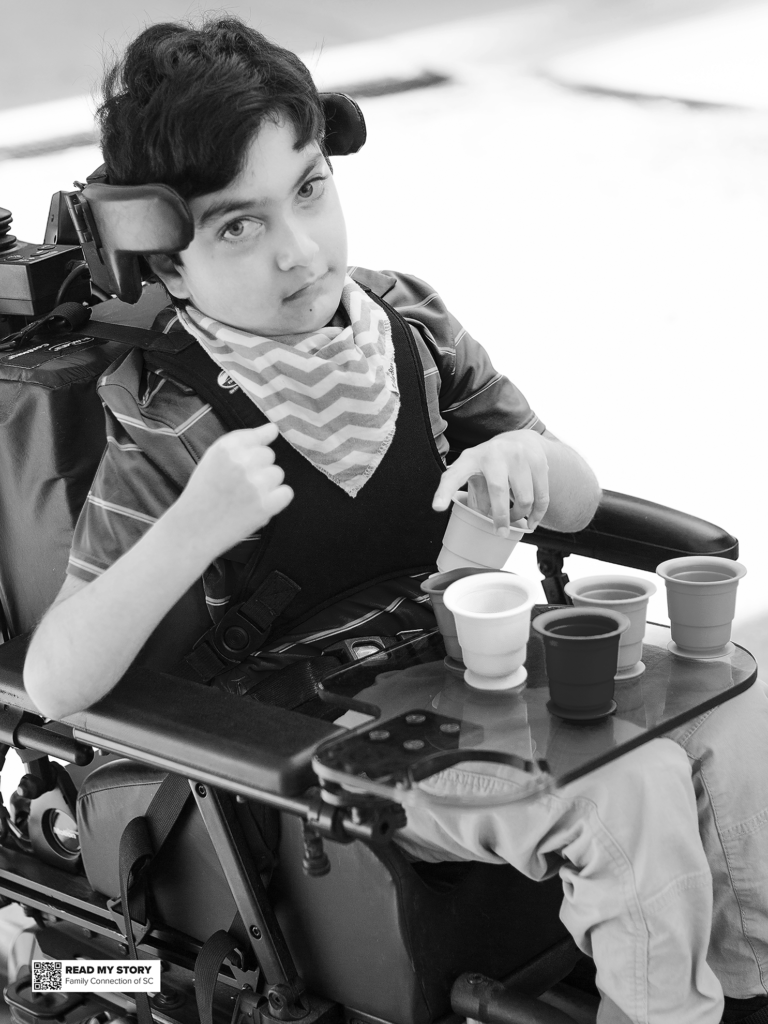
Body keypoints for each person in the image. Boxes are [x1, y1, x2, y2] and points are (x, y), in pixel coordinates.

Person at [21, 17, 768, 1024]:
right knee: (624, 788)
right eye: (238, 226)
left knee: (732, 706)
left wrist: (528, 465)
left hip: (471, 671)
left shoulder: (407, 326)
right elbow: (55, 680)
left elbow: (579, 493)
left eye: (311, 190)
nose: (297, 251)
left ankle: (742, 979)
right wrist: (191, 527)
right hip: (333, 745)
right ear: (167, 265)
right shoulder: (170, 423)